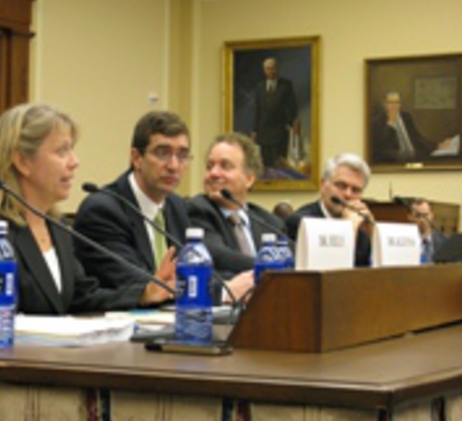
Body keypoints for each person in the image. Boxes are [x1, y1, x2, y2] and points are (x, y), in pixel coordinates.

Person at [0, 103, 174, 314]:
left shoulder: (57, 227)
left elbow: (82, 296)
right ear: (23, 161)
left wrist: (145, 293)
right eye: (62, 151)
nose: (75, 162)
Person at [74, 110, 252, 303]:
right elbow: (141, 284)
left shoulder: (176, 206)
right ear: (137, 158)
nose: (174, 165)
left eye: (182, 155)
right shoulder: (103, 210)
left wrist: (241, 282)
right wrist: (224, 292)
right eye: (162, 153)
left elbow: (196, 269)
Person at [188, 133, 284, 276]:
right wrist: (269, 268)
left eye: (225, 166)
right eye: (209, 166)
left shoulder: (270, 223)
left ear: (249, 179)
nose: (213, 173)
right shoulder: (198, 210)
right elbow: (219, 255)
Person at [285, 153, 374, 267]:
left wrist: (373, 237)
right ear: (323, 185)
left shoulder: (359, 225)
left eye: (355, 190)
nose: (348, 194)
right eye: (341, 186)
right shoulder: (300, 222)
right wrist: (347, 229)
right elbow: (327, 271)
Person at [371, 91, 455, 164]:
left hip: (414, 158)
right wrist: (391, 124)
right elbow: (383, 149)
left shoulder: (406, 117)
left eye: (397, 102)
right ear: (384, 104)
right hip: (394, 162)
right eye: (391, 103)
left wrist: (437, 146)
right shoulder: (377, 122)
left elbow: (417, 137)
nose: (394, 106)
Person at [253, 57, 298, 171]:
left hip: (280, 132)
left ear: (277, 69)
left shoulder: (286, 85)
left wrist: (291, 123)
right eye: (268, 69)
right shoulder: (259, 87)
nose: (271, 71)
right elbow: (257, 109)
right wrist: (254, 130)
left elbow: (292, 106)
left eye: (273, 68)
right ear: (264, 71)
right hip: (263, 132)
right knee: (266, 166)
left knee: (279, 166)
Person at [408, 197, 447, 263]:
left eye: (425, 215)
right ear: (410, 217)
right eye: (418, 216)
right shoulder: (405, 240)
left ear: (432, 216)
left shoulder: (443, 241)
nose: (422, 219)